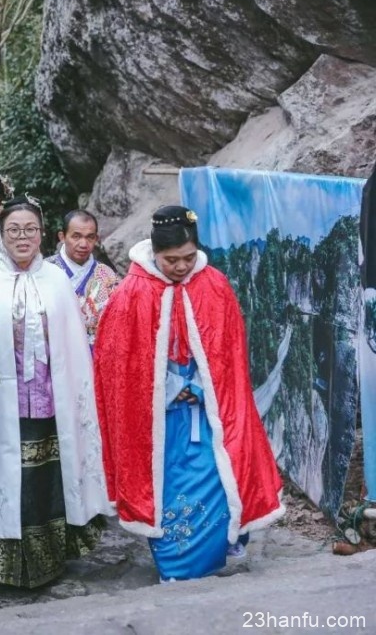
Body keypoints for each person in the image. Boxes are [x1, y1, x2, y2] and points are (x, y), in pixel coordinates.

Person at [93, 205, 284, 583]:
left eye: (188, 258)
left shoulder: (214, 284)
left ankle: (215, 554)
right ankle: (177, 569)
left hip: (208, 410)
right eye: (171, 260)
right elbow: (118, 365)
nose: (180, 266)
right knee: (167, 487)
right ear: (155, 253)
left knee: (218, 476)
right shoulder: (130, 294)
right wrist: (169, 388)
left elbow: (229, 355)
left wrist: (198, 386)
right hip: (160, 422)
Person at [0, 195, 112, 589]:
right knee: (11, 480)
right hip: (3, 406)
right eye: (14, 229)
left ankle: (53, 558)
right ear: (1, 233)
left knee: (47, 479)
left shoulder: (56, 280)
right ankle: (10, 564)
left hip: (52, 401)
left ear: (43, 234)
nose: (22, 237)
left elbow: (74, 346)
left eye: (30, 229)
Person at [46, 209, 121, 347]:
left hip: (96, 356)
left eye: (90, 237)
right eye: (76, 236)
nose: (83, 244)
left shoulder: (107, 275)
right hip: (54, 352)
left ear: (96, 239)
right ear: (62, 237)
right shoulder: (44, 271)